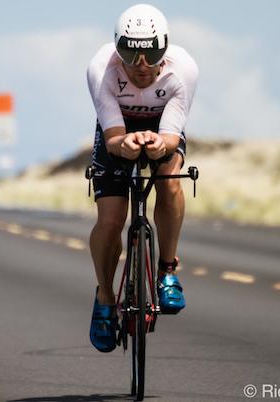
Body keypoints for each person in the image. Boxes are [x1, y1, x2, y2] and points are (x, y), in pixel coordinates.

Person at [87, 3, 198, 352]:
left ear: (164, 47)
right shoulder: (100, 69)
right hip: (118, 132)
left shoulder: (184, 71)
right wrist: (127, 143)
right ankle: (105, 297)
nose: (142, 65)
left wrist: (155, 142)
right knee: (111, 220)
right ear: (116, 49)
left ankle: (167, 271)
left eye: (151, 52)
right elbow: (113, 138)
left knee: (170, 177)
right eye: (130, 53)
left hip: (162, 128)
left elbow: (169, 137)